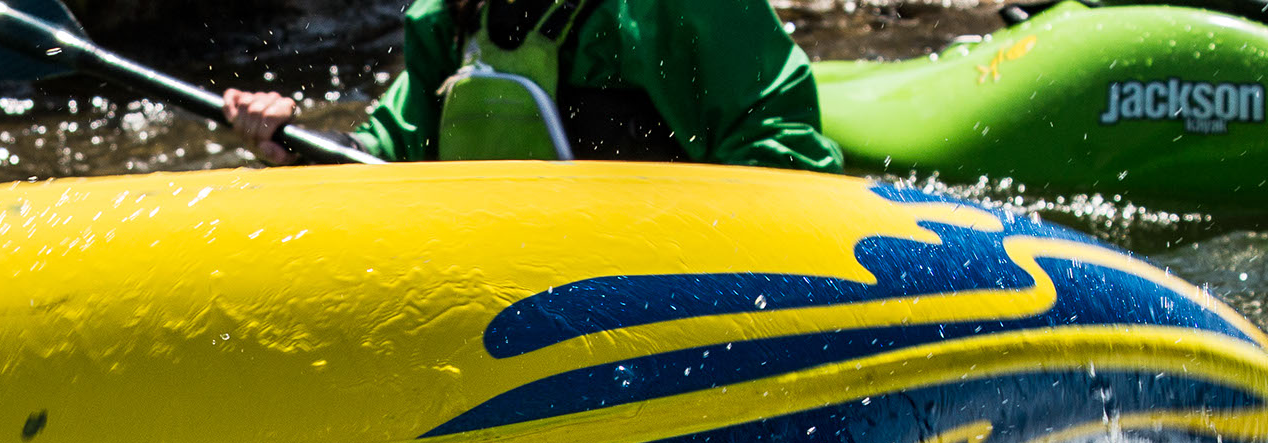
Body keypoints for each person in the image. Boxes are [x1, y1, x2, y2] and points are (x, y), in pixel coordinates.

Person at [219, 0, 840, 170]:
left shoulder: (670, 9)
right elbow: (385, 159)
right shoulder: (453, 20)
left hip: (653, 313)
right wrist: (292, 143)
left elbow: (785, 157)